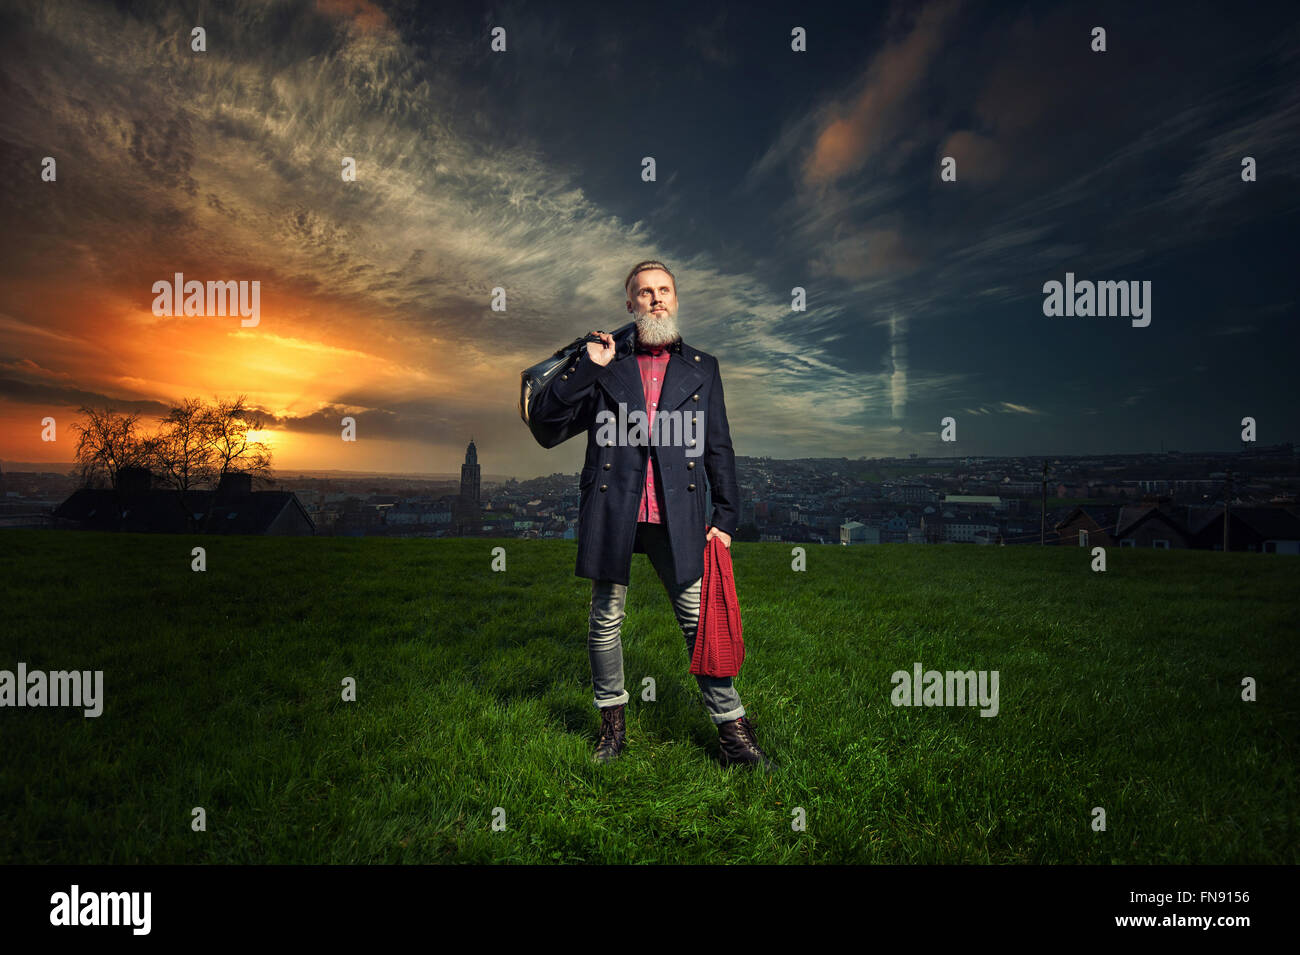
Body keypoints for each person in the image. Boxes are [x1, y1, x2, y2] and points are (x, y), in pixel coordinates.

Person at [528, 259, 773, 769]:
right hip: (613, 507)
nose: (655, 298)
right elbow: (549, 422)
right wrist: (587, 366)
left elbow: (718, 446)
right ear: (630, 304)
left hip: (676, 511)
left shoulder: (704, 367)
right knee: (605, 621)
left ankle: (734, 737)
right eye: (644, 292)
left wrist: (726, 517)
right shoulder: (605, 363)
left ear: (676, 299)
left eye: (664, 290)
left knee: (699, 621)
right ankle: (612, 730)